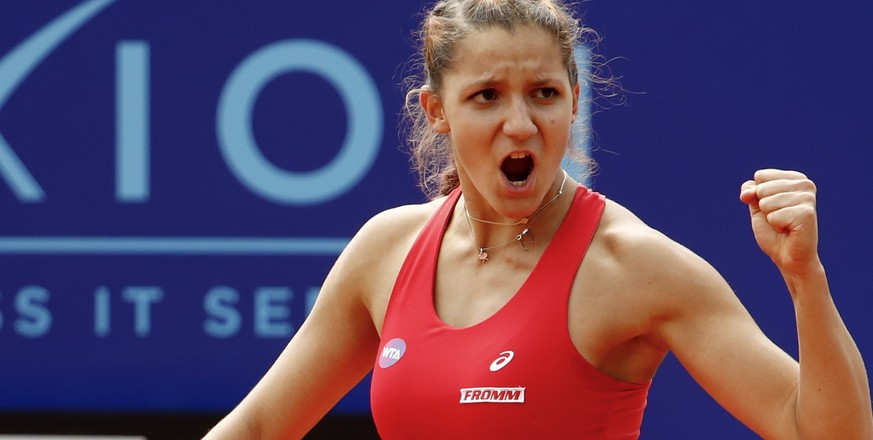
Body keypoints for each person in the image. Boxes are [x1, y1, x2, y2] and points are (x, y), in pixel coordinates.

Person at [204, 0, 873, 438]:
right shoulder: (386, 248)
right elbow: (261, 426)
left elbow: (820, 433)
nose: (519, 124)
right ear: (437, 111)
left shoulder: (632, 266)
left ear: (573, 102)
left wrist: (802, 278)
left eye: (544, 94)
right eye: (486, 96)